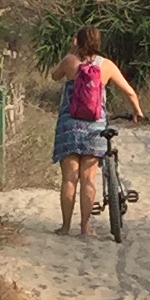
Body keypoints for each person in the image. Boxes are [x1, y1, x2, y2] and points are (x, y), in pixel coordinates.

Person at [49, 26, 144, 237]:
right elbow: (129, 91)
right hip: (95, 127)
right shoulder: (106, 65)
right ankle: (85, 227)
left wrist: (72, 52)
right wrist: (137, 111)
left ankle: (65, 227)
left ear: (78, 41)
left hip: (69, 126)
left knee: (69, 179)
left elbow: (54, 76)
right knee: (88, 177)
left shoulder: (69, 62)